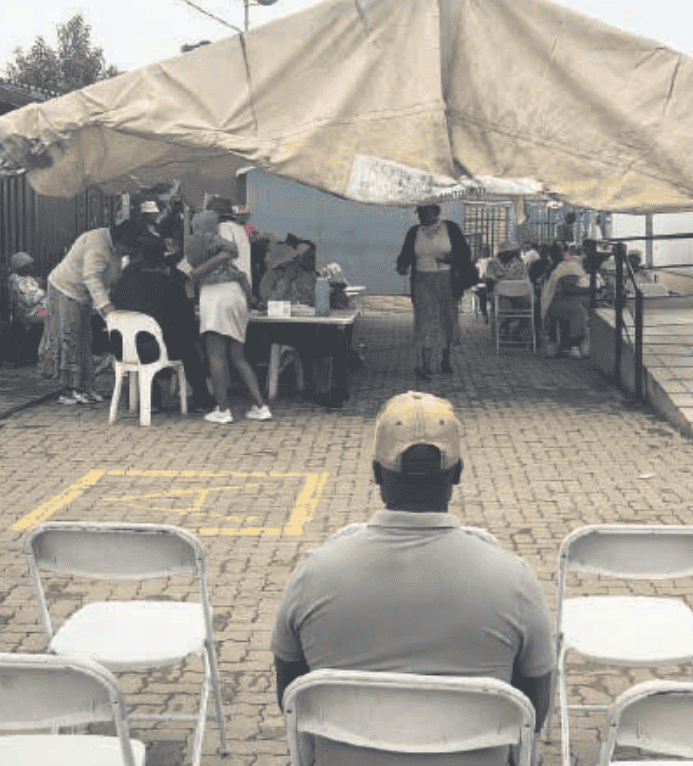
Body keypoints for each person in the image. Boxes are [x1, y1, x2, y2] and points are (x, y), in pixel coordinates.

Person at [271, 392, 553, 765]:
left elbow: (289, 698)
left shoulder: (314, 574)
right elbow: (534, 712)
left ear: (376, 473)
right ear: (457, 473)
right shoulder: (514, 580)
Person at [39, 219, 143, 404]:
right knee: (69, 337)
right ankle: (69, 389)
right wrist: (106, 306)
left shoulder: (115, 247)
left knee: (85, 339)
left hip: (84, 295)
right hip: (66, 288)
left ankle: (86, 386)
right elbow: (92, 277)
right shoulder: (97, 243)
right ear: (120, 241)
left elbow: (111, 276)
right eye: (126, 248)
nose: (127, 252)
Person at [110, 234, 216, 411]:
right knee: (189, 348)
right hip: (158, 348)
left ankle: (152, 399)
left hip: (123, 347)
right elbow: (185, 318)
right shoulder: (171, 279)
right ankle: (202, 398)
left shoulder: (125, 278)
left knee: (155, 339)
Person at [186, 209, 270, 424]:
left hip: (215, 298)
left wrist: (197, 273)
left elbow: (195, 271)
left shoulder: (197, 241)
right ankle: (261, 406)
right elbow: (241, 277)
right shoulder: (222, 244)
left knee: (216, 356)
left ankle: (223, 410)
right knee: (239, 357)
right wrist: (251, 300)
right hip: (237, 296)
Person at [395, 204, 475, 379]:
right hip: (422, 280)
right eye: (420, 213)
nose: (422, 216)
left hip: (447, 279)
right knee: (425, 320)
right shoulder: (414, 231)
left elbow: (464, 253)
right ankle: (426, 364)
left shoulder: (450, 228)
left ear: (436, 212)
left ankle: (445, 359)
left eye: (426, 212)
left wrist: (451, 259)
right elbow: (406, 254)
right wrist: (401, 265)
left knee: (446, 318)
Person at [540, 243, 590, 358]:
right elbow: (568, 288)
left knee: (577, 308)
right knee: (578, 311)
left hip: (552, 302)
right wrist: (590, 290)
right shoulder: (567, 266)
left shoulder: (565, 263)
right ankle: (573, 345)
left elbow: (565, 257)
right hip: (557, 302)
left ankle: (563, 344)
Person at [7, 252, 47, 363]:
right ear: (21, 267)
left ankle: (37, 353)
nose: (32, 268)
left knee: (57, 313)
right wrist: (43, 292)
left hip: (36, 310)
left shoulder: (29, 279)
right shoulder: (15, 280)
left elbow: (37, 294)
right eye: (29, 265)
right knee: (53, 316)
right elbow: (29, 300)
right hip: (26, 314)